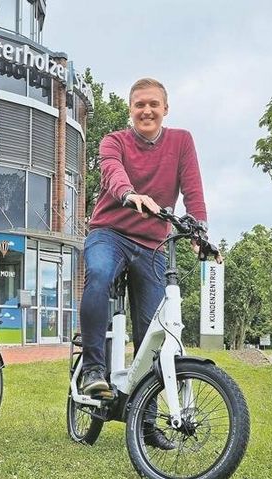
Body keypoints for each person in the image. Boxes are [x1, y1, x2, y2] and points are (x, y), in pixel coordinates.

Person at [79, 78, 209, 395]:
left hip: (152, 245)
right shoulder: (114, 141)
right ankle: (93, 369)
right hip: (109, 232)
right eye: (140, 105)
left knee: (152, 328)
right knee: (97, 274)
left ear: (165, 109)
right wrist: (129, 194)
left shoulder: (181, 142)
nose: (146, 110)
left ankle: (146, 421)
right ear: (130, 110)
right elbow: (111, 171)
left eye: (153, 104)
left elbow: (193, 191)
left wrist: (199, 230)